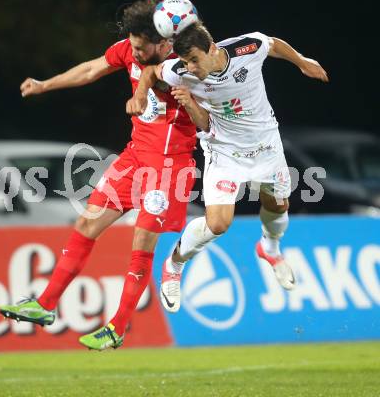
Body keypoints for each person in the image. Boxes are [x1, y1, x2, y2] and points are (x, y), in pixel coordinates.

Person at [0, 0, 197, 349]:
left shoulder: (184, 64)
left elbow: (168, 85)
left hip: (168, 166)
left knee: (141, 245)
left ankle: (117, 328)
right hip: (134, 156)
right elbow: (91, 69)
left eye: (140, 46)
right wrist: (45, 85)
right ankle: (45, 304)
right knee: (87, 223)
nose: (134, 52)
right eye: (132, 46)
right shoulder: (130, 51)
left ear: (163, 42)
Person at [129, 22, 328, 313]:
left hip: (266, 147)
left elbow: (272, 42)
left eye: (195, 60)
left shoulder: (246, 48)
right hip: (224, 152)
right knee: (218, 224)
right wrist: (141, 96)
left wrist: (302, 61)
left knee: (278, 205)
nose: (191, 68)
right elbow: (151, 73)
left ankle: (269, 249)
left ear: (212, 49)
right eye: (185, 62)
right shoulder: (180, 72)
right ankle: (174, 264)